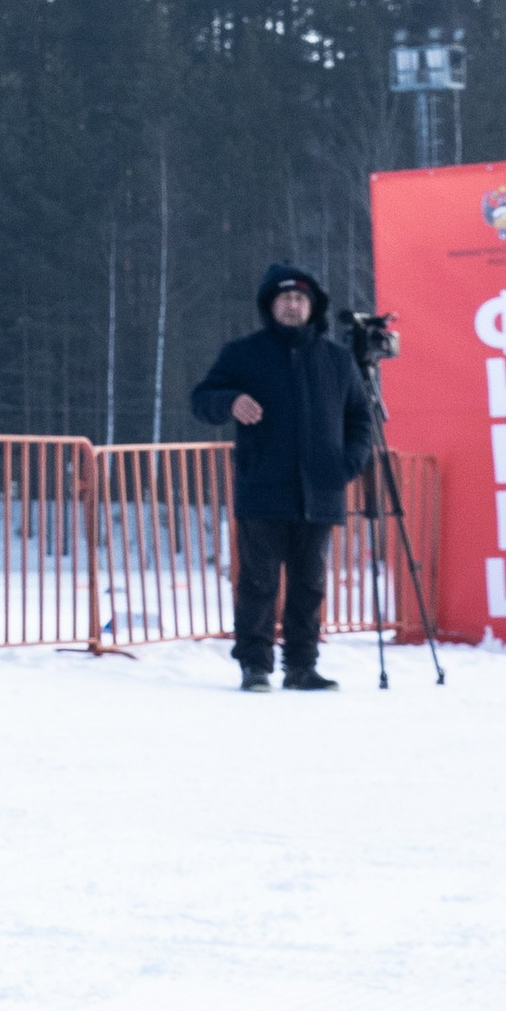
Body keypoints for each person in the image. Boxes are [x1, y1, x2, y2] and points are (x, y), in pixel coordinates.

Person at [191, 265, 373, 693]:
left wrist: (346, 466)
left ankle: (301, 666)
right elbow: (202, 399)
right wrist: (230, 401)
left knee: (310, 585)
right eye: (285, 299)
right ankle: (255, 665)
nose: (293, 306)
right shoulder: (243, 354)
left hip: (321, 490)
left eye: (301, 300)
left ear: (313, 308)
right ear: (270, 305)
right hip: (263, 487)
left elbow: (360, 420)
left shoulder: (336, 359)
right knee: (259, 582)